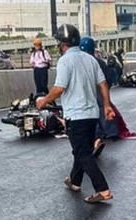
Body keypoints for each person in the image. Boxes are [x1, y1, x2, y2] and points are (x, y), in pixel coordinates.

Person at [36, 24, 115, 203]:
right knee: (81, 150)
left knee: (83, 153)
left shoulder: (65, 61)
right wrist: (107, 105)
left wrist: (44, 101)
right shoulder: (90, 59)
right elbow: (103, 83)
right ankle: (75, 181)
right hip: (92, 114)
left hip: (76, 116)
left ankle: (103, 190)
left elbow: (59, 88)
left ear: (61, 44)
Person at [79, 37, 136, 156]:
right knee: (104, 111)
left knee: (92, 113)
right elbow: (107, 79)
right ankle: (108, 132)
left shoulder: (80, 62)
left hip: (89, 92)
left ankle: (97, 135)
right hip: (100, 90)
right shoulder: (99, 62)